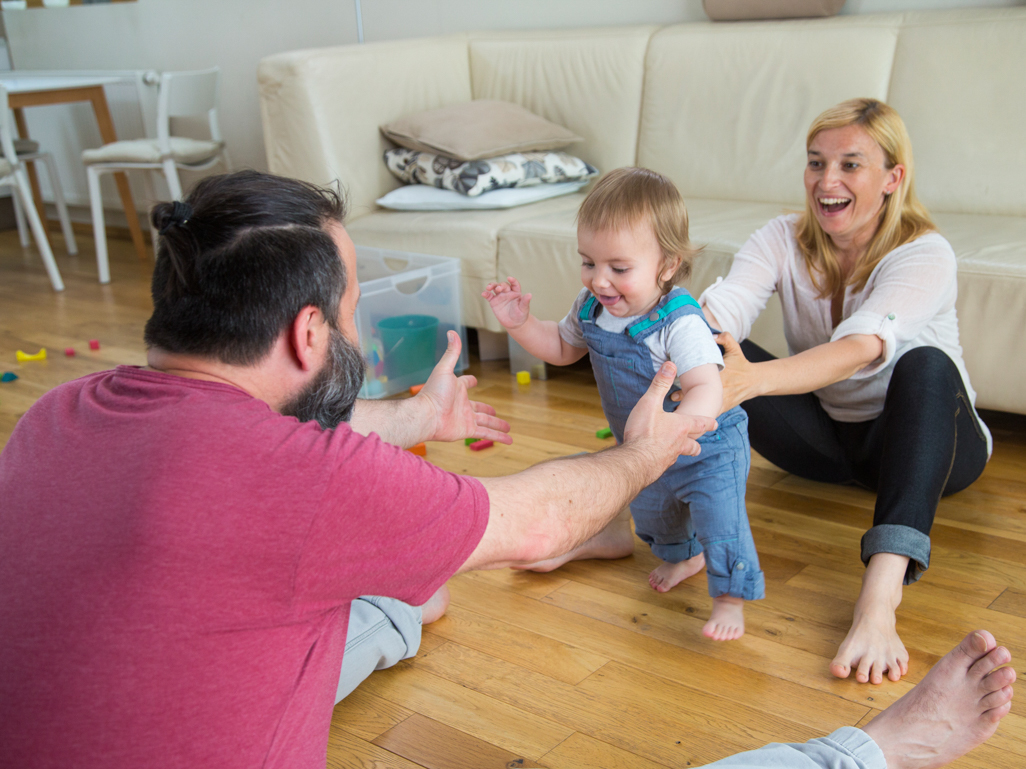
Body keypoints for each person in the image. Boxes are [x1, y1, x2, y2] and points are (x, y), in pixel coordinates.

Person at [0, 171, 1012, 769]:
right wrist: (640, 452)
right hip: (637, 462)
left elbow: (253, 483)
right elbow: (530, 524)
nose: (357, 324)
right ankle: (872, 753)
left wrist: (409, 415)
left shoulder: (53, 418)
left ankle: (394, 614)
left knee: (342, 599)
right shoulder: (300, 480)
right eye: (351, 308)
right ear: (311, 332)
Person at [694, 98, 992, 684]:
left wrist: (752, 381)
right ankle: (668, 528)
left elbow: (862, 347)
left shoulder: (924, 253)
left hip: (932, 448)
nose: (827, 182)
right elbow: (726, 306)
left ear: (892, 178)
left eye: (850, 165)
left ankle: (879, 601)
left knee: (926, 365)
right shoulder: (781, 237)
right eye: (815, 163)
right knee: (707, 348)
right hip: (830, 447)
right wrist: (669, 331)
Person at [484, 167, 763, 641]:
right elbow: (562, 348)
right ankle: (684, 556)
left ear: (667, 264)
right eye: (588, 263)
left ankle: (730, 599)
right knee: (656, 517)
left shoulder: (681, 322)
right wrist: (520, 324)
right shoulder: (590, 308)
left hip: (706, 444)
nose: (600, 281)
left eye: (619, 268)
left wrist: (679, 426)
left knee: (722, 520)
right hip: (641, 448)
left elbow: (706, 386)